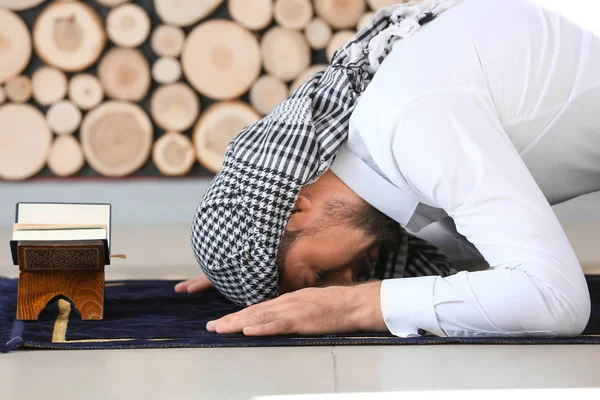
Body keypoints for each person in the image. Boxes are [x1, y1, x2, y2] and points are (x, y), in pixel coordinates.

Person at [176, 0, 598, 338]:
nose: (343, 282)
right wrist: (244, 271)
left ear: (295, 209)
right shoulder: (383, 153)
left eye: (318, 274)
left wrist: (352, 307)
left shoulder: (412, 125)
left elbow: (556, 299)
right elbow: (467, 255)